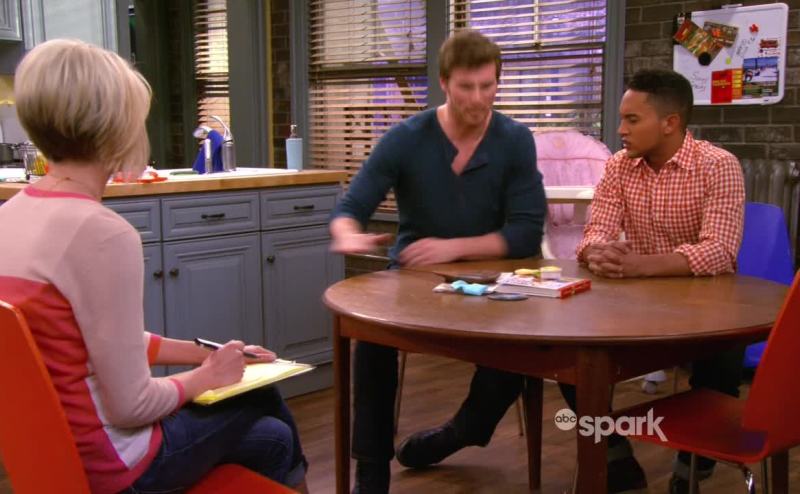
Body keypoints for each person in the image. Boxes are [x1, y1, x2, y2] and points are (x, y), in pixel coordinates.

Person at [0, 39, 307, 493]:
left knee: (272, 439)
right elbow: (132, 406)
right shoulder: (102, 233)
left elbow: (97, 341)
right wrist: (208, 377)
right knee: (261, 392)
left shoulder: (10, 215)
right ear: (118, 127)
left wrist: (203, 354)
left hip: (52, 459)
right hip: (116, 469)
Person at [329, 30, 547, 493]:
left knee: (522, 350)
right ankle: (371, 470)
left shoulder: (514, 139)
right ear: (444, 82)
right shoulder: (406, 138)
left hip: (492, 281)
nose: (479, 98)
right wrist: (347, 232)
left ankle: (459, 433)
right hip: (414, 279)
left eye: (488, 86)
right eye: (467, 87)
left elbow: (527, 231)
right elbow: (353, 205)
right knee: (372, 341)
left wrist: (453, 248)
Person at [565, 68, 745, 494]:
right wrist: (596, 252)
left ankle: (691, 467)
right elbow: (595, 232)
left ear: (670, 123)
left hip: (706, 308)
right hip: (636, 307)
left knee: (723, 362)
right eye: (621, 119)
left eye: (632, 120)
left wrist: (640, 265)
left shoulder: (718, 166)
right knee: (569, 354)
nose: (620, 130)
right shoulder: (618, 166)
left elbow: (720, 251)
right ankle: (616, 457)